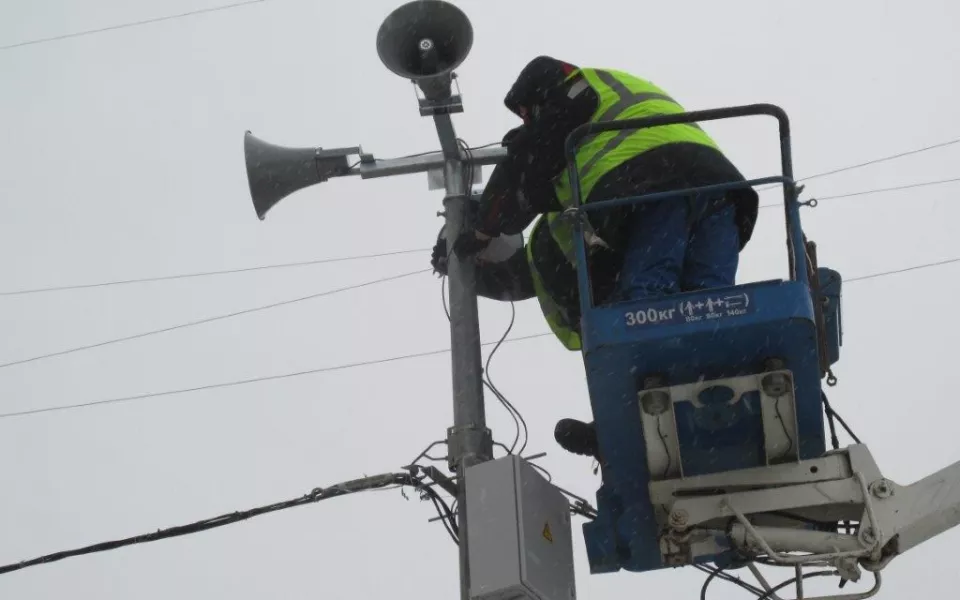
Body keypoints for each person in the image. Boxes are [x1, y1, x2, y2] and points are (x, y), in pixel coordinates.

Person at [431, 56, 759, 461]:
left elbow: (526, 172)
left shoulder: (570, 105)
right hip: (720, 187)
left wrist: (481, 230)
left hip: (654, 179)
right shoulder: (609, 106)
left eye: (526, 115)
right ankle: (715, 398)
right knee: (708, 305)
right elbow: (524, 270)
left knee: (647, 305)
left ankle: (625, 423)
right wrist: (466, 267)